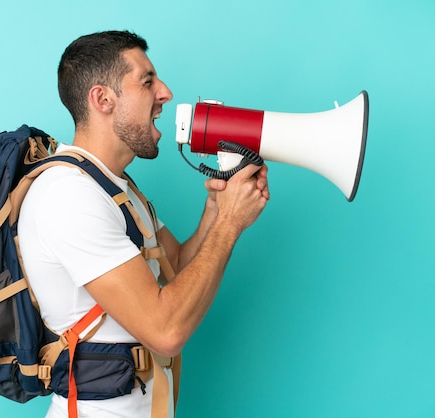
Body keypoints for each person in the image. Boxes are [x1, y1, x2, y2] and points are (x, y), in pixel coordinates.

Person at [18, 30, 270, 418]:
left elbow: (176, 270)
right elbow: (166, 331)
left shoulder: (114, 186)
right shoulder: (70, 196)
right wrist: (230, 225)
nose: (165, 93)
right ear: (102, 99)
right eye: (147, 81)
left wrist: (217, 211)